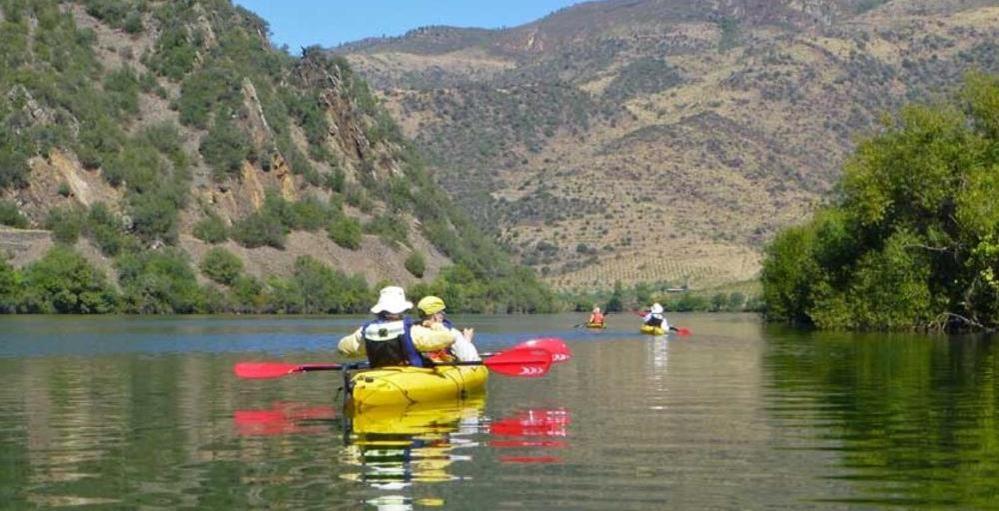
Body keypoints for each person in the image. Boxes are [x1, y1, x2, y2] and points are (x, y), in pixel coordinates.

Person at [338, 286, 460, 367]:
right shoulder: (412, 332)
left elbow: (342, 348)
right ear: (401, 310)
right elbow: (449, 338)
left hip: (378, 376)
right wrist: (435, 325)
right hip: (406, 377)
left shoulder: (365, 332)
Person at [416, 295, 480, 361]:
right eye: (442, 312)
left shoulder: (414, 330)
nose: (443, 314)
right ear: (436, 315)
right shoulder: (450, 332)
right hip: (443, 368)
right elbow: (469, 358)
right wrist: (467, 340)